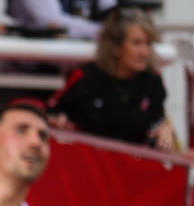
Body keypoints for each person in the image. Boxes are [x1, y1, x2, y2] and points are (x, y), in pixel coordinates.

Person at [48, 8, 176, 151]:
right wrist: (59, 122)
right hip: (89, 162)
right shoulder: (85, 77)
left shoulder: (153, 80)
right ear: (116, 47)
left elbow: (158, 122)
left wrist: (165, 130)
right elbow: (52, 114)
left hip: (134, 165)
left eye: (148, 44)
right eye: (137, 43)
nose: (145, 51)